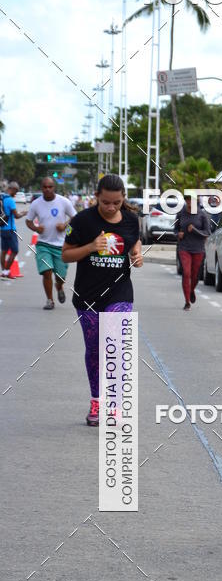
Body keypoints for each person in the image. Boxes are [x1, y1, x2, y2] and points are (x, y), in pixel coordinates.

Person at [62, 174, 142, 426]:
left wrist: (136, 254)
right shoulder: (82, 221)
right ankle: (97, 400)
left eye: (116, 202)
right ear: (96, 196)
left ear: (123, 199)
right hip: (88, 296)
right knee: (95, 350)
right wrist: (91, 247)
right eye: (106, 202)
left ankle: (114, 403)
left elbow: (135, 241)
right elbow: (66, 255)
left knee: (115, 345)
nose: (111, 207)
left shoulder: (131, 220)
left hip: (120, 292)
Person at [25, 177, 76, 309]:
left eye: (50, 187)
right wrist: (36, 228)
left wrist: (65, 226)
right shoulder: (36, 204)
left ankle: (59, 287)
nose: (47, 189)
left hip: (61, 246)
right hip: (43, 245)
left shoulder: (64, 202)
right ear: (41, 188)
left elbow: (75, 218)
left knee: (60, 277)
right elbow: (28, 221)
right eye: (45, 187)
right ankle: (50, 300)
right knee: (46, 272)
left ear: (54, 187)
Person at [174, 195, 211, 310]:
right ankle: (187, 302)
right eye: (187, 199)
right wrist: (178, 234)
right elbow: (175, 229)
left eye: (191, 200)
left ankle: (191, 290)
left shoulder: (202, 215)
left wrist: (194, 230)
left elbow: (207, 233)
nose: (189, 202)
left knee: (195, 276)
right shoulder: (181, 214)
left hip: (198, 249)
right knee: (186, 273)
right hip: (184, 247)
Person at [1, 182, 27, 278]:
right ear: (12, 189)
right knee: (15, 251)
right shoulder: (10, 200)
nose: (16, 194)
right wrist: (24, 213)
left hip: (2, 228)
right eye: (16, 191)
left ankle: (4, 271)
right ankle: (6, 271)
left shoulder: (2, 198)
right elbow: (16, 215)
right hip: (10, 230)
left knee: (4, 251)